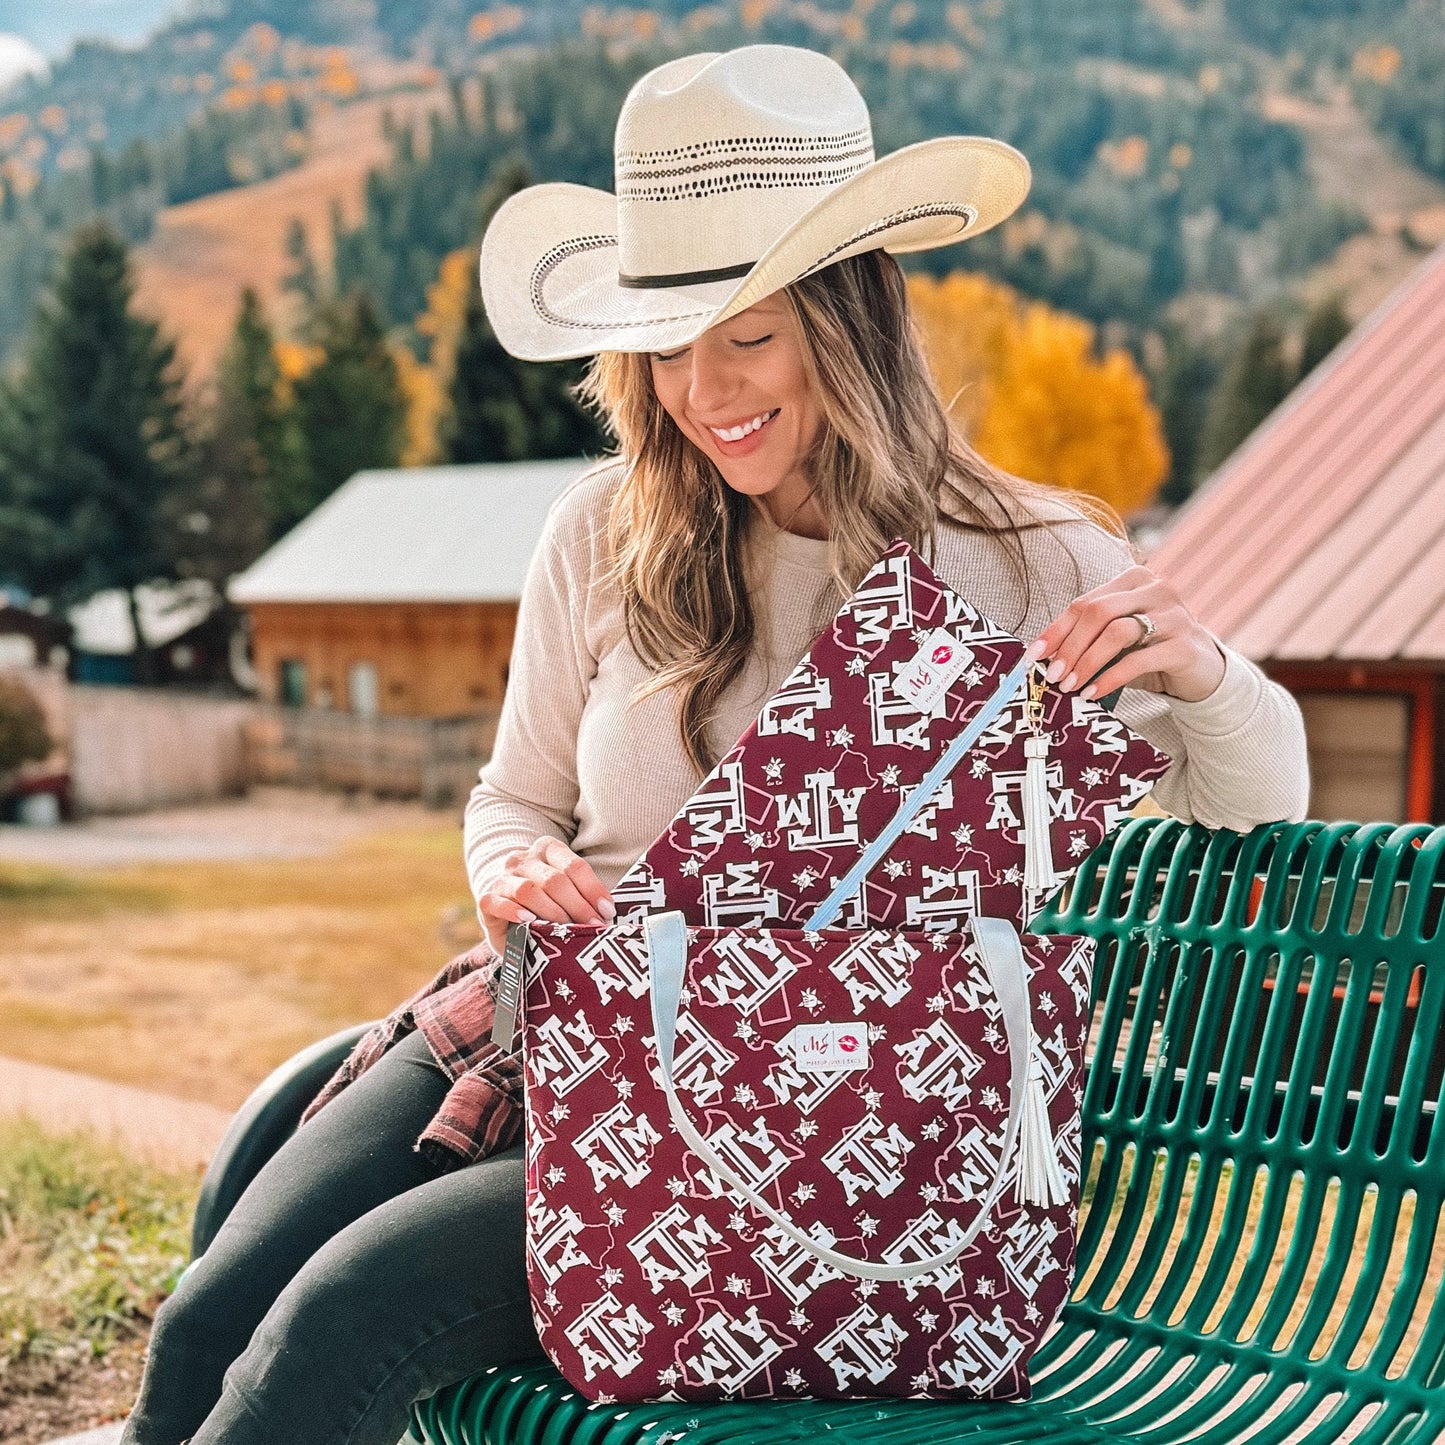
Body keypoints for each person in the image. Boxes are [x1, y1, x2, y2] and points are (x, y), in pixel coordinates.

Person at [118, 42, 1310, 1445]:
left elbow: (1254, 804)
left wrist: (1206, 672)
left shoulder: (1025, 556)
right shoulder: (605, 531)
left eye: (746, 333)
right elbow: (509, 798)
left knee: (341, 1318)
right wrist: (516, 869)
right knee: (212, 1308)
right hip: (545, 1025)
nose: (702, 389)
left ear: (848, 314)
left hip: (802, 1128)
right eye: (665, 343)